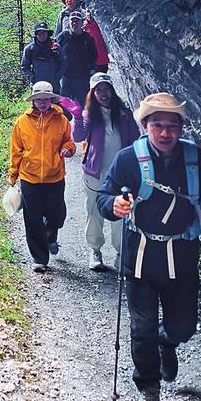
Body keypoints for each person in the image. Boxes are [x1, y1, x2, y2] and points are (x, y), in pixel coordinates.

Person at [97, 92, 201, 401]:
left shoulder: (197, 159)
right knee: (142, 326)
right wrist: (113, 206)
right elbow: (105, 195)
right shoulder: (128, 160)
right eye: (158, 125)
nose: (165, 133)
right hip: (141, 258)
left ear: (181, 128)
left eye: (172, 126)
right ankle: (149, 389)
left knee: (184, 325)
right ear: (145, 126)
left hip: (182, 257)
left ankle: (167, 340)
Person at [71, 72, 138, 271]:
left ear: (112, 91)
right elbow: (78, 136)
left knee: (121, 213)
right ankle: (95, 250)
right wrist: (76, 116)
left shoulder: (125, 114)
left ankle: (121, 254)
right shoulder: (89, 114)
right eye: (98, 90)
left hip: (120, 174)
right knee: (94, 212)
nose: (103, 93)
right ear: (92, 93)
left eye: (106, 89)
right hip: (95, 172)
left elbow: (134, 140)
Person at [8, 81, 76, 273]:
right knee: (33, 219)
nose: (42, 103)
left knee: (55, 214)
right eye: (39, 99)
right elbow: (16, 150)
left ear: (51, 100)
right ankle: (39, 257)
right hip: (29, 177)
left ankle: (51, 236)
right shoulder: (22, 122)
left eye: (46, 99)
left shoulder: (61, 120)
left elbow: (69, 142)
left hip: (55, 177)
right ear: (33, 101)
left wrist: (68, 150)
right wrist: (13, 174)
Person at [57, 12, 105, 106]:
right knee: (65, 104)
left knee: (85, 104)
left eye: (77, 21)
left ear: (82, 22)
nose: (74, 23)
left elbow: (94, 56)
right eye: (72, 21)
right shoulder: (63, 36)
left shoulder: (88, 37)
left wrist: (92, 70)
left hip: (83, 78)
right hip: (66, 77)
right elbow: (56, 53)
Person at [20, 21, 62, 89]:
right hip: (37, 84)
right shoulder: (30, 49)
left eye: (44, 32)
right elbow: (24, 66)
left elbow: (63, 63)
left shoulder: (55, 47)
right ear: (36, 34)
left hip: (54, 84)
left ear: (48, 33)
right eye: (39, 33)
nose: (42, 35)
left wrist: (57, 76)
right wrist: (32, 77)